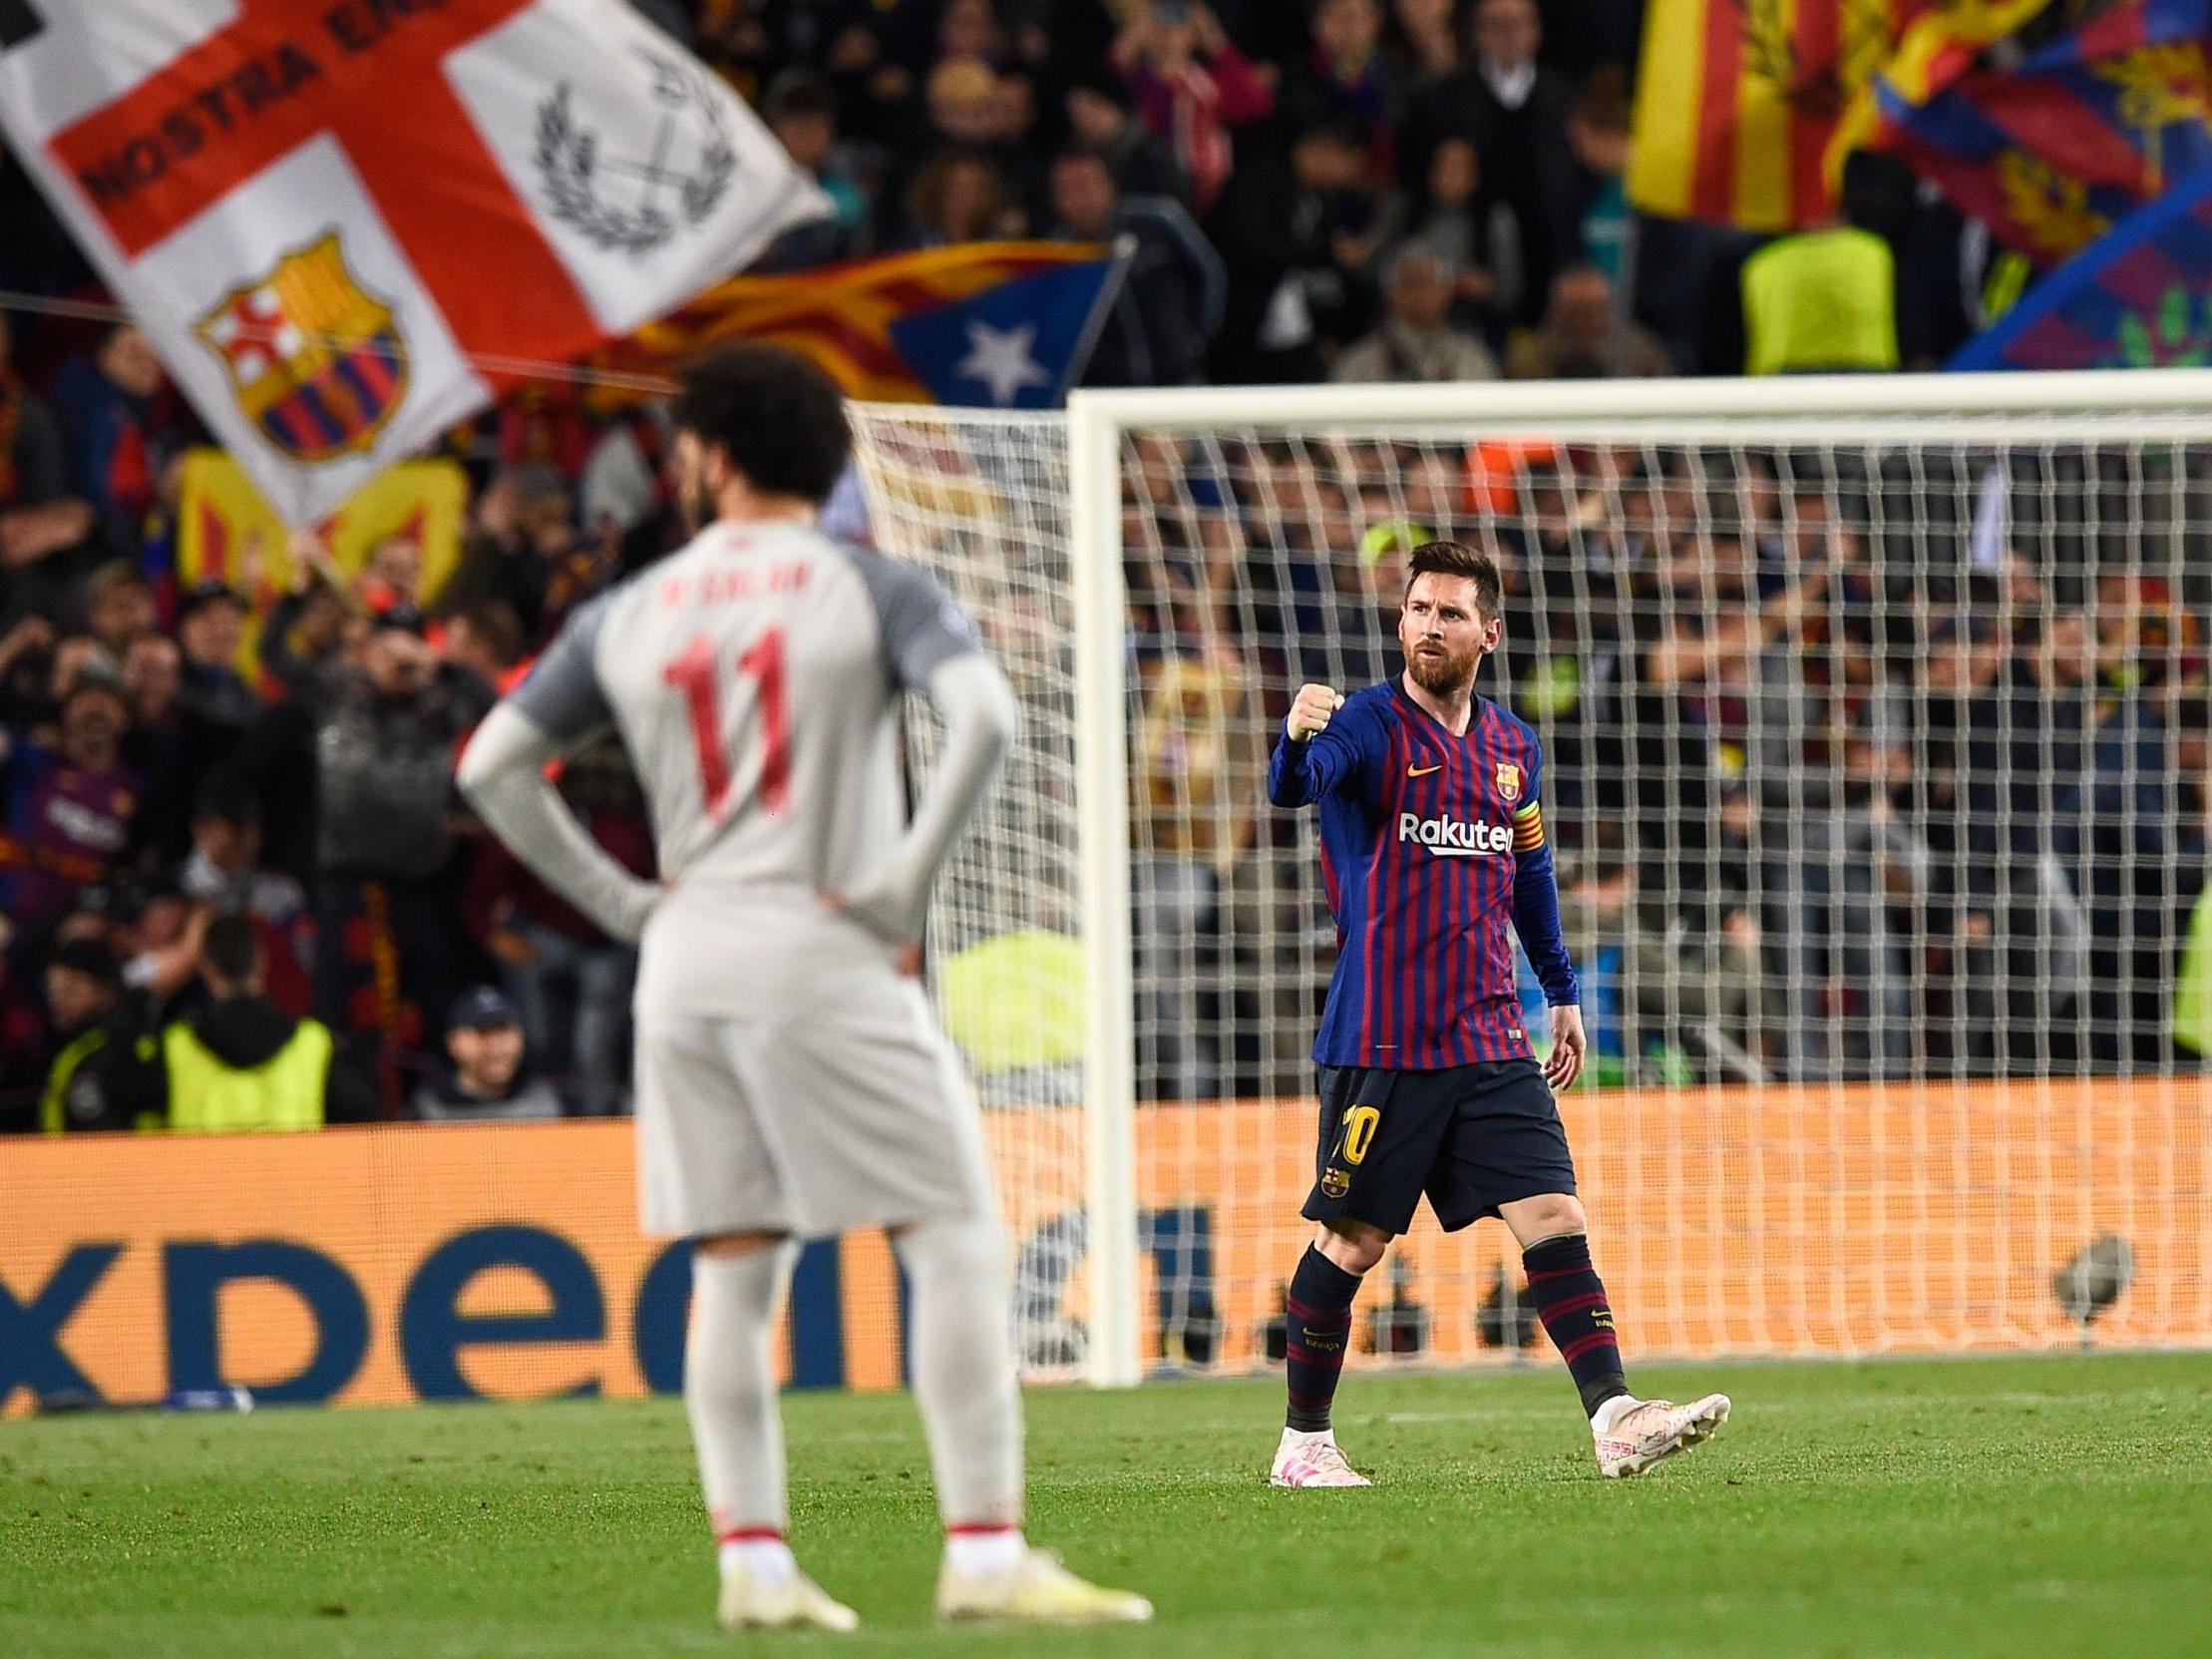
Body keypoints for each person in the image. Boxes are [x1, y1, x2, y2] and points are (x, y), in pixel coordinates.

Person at [457, 342, 1149, 1630]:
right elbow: (986, 719)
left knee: (734, 1264)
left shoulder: (634, 605)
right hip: (824, 944)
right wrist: (901, 879)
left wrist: (624, 906)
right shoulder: (867, 582)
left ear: (711, 456)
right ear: (830, 461)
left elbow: (493, 765)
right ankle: (984, 1550)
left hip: (687, 960)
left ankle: (754, 1566)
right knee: (948, 1231)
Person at [1261, 538, 1729, 1487]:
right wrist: (1295, 734)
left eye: (1450, 613)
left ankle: (1615, 1417)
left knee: (1555, 1211)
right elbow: (1293, 789)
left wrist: (1559, 992)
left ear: (1490, 634)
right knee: (1351, 1243)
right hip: (1385, 1039)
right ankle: (1302, 1442)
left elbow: (1531, 875)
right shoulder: (1363, 726)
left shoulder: (1515, 751)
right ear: (1401, 622)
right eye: (1417, 609)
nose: (1429, 625)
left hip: (1488, 1036)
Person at [161, 915, 377, 1130]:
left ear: (206, 967)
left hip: (200, 1165)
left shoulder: (175, 1047)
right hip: (295, 1165)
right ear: (261, 960)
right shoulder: (312, 1044)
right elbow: (367, 1122)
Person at [1330, 242, 1501, 383]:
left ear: (1448, 292)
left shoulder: (1475, 360)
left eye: (1431, 284)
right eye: (1411, 284)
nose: (1422, 294)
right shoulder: (1358, 365)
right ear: (1391, 295)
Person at [412, 988, 563, 1121]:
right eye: (482, 1032)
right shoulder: (427, 1111)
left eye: (503, 1031)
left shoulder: (545, 1104)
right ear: (453, 1042)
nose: (495, 1045)